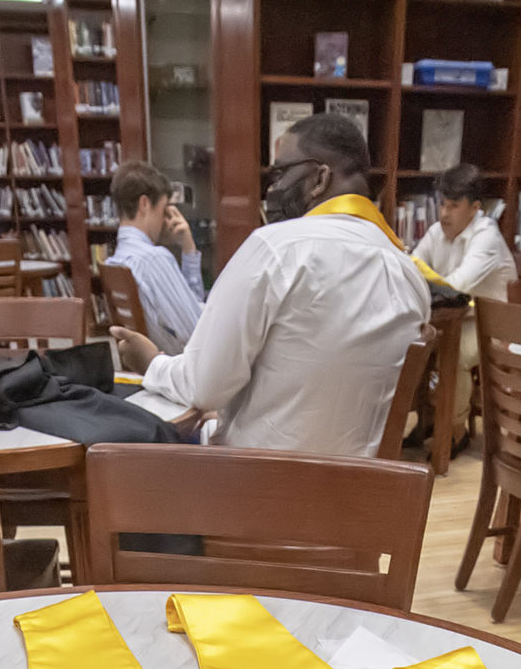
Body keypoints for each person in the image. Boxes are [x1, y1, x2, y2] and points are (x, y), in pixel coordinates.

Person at [109, 112, 429, 457]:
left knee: (126, 443)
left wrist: (151, 362)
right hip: (360, 493)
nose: (272, 189)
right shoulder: (410, 274)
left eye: (281, 172)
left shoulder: (276, 248)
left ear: (319, 178)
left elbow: (203, 387)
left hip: (262, 487)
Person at [106, 160, 205, 351]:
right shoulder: (153, 260)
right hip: (176, 370)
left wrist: (187, 247)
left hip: (152, 367)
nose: (164, 219)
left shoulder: (115, 262)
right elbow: (197, 332)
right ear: (144, 204)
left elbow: (191, 304)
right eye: (163, 209)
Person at [410, 164, 516, 304]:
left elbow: (453, 289)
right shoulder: (436, 231)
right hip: (452, 319)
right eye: (442, 204)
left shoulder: (487, 236)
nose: (444, 214)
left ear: (474, 208)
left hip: (490, 323)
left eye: (454, 206)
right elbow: (409, 272)